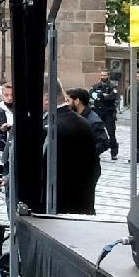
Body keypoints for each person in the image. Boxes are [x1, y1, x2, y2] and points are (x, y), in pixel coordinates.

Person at [44, 86, 105, 215]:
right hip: (79, 196)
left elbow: (102, 142)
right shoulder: (81, 121)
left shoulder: (54, 125)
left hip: (64, 197)